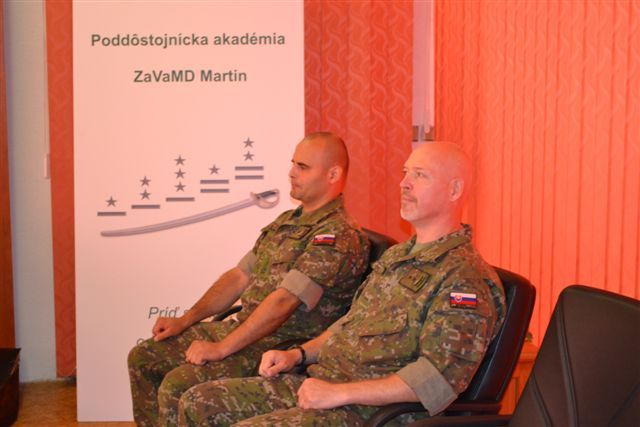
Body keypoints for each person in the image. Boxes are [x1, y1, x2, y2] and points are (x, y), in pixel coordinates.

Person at [176, 142, 507, 426]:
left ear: (454, 190)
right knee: (198, 402)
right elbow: (351, 323)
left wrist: (340, 393)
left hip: (370, 413)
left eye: (420, 175)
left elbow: (437, 380)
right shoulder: (398, 256)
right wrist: (298, 355)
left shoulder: (464, 279)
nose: (404, 183)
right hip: (325, 384)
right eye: (406, 172)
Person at [127, 132, 370, 427]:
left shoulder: (337, 235)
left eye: (303, 167)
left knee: (179, 384)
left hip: (278, 345)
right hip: (244, 330)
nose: (292, 172)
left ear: (333, 174)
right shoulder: (286, 222)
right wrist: (186, 319)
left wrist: (221, 348)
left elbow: (284, 302)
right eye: (293, 164)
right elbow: (239, 276)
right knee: (144, 357)